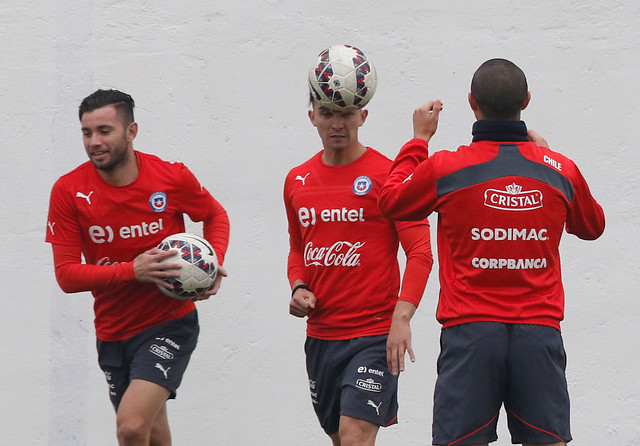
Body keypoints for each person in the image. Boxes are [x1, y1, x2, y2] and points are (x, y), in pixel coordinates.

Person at [378, 58, 605, 446]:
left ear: (471, 103)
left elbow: (391, 202)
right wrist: (552, 159)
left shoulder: (446, 167)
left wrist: (418, 141)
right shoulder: (559, 169)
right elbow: (592, 227)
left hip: (470, 333)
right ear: (527, 101)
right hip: (538, 332)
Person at [46, 89, 230, 446]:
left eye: (105, 131)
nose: (94, 142)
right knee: (153, 433)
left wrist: (213, 261)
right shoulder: (69, 191)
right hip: (113, 332)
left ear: (131, 131)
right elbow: (67, 275)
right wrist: (133, 270)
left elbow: (214, 215)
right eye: (87, 133)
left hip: (169, 324)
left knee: (130, 426)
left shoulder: (170, 177)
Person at [284, 79, 434, 443]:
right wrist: (299, 286)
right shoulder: (296, 180)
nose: (338, 123)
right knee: (341, 440)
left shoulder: (387, 175)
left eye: (347, 114)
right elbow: (297, 248)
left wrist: (401, 317)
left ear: (362, 116)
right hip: (322, 337)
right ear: (312, 117)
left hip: (374, 335)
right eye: (328, 114)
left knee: (354, 437)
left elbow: (421, 252)